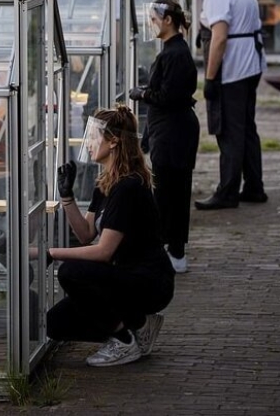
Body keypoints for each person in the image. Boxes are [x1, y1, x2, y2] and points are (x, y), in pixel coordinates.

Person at [46, 105, 174, 367]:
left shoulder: (128, 185)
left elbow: (103, 251)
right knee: (55, 324)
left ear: (113, 141)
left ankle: (124, 339)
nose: (89, 143)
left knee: (71, 273)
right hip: (123, 275)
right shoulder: (106, 182)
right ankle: (140, 323)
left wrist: (50, 253)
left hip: (148, 279)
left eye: (94, 137)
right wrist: (67, 196)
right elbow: (85, 234)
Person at [190, 0, 268, 210]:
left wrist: (210, 79)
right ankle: (254, 186)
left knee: (230, 132)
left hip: (234, 69)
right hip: (252, 66)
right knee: (246, 128)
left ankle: (228, 191)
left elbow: (219, 39)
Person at [129, 0, 199, 273]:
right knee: (170, 191)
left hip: (174, 133)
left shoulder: (175, 54)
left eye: (154, 19)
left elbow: (169, 96)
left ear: (168, 20)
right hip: (169, 131)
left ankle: (174, 251)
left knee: (171, 193)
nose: (151, 24)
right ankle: (171, 250)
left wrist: (143, 93)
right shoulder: (173, 52)